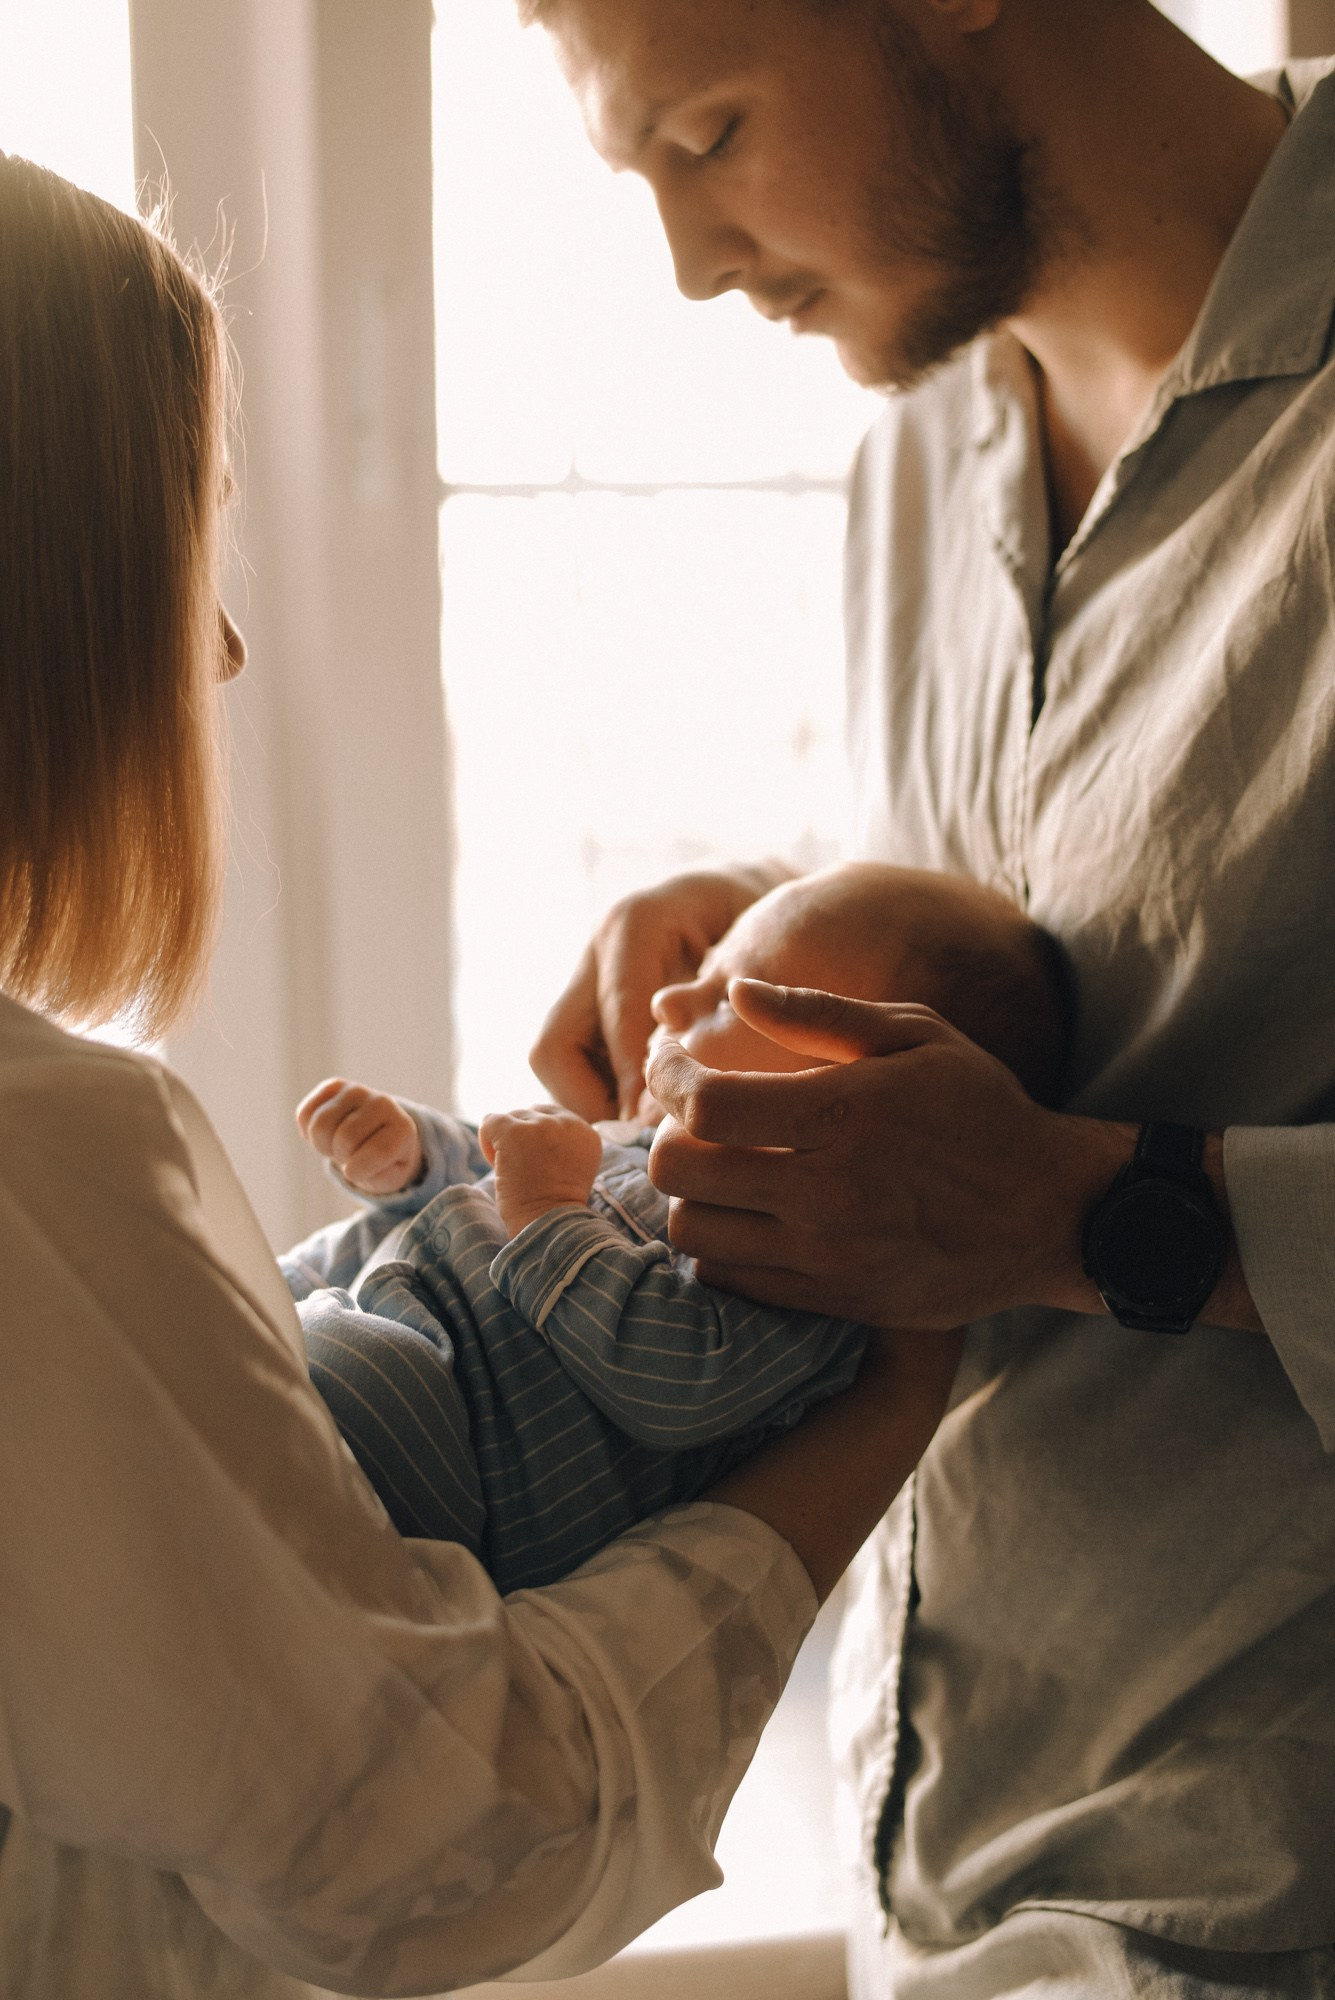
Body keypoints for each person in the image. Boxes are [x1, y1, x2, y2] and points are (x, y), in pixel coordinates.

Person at [0, 153, 965, 2000]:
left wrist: (491, 1180)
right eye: (189, 545)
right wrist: (898, 1396)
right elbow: (414, 1850)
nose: (218, 647)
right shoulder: (43, 1151)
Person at [519, 0, 1335, 1993]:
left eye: (705, 136)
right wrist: (781, 934)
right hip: (941, 1882)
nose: (689, 265)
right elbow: (1129, 955)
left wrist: (1088, 1210)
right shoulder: (924, 429)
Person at [281, 865, 1068, 1592]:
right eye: (702, 970)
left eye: (726, 996)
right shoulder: (634, 1141)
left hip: (443, 1444)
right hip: (365, 1307)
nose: (669, 1002)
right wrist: (410, 1155)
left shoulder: (809, 1271)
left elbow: (673, 1385)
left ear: (859, 1113)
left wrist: (549, 1210)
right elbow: (490, 1177)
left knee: (333, 1372)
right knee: (257, 1276)